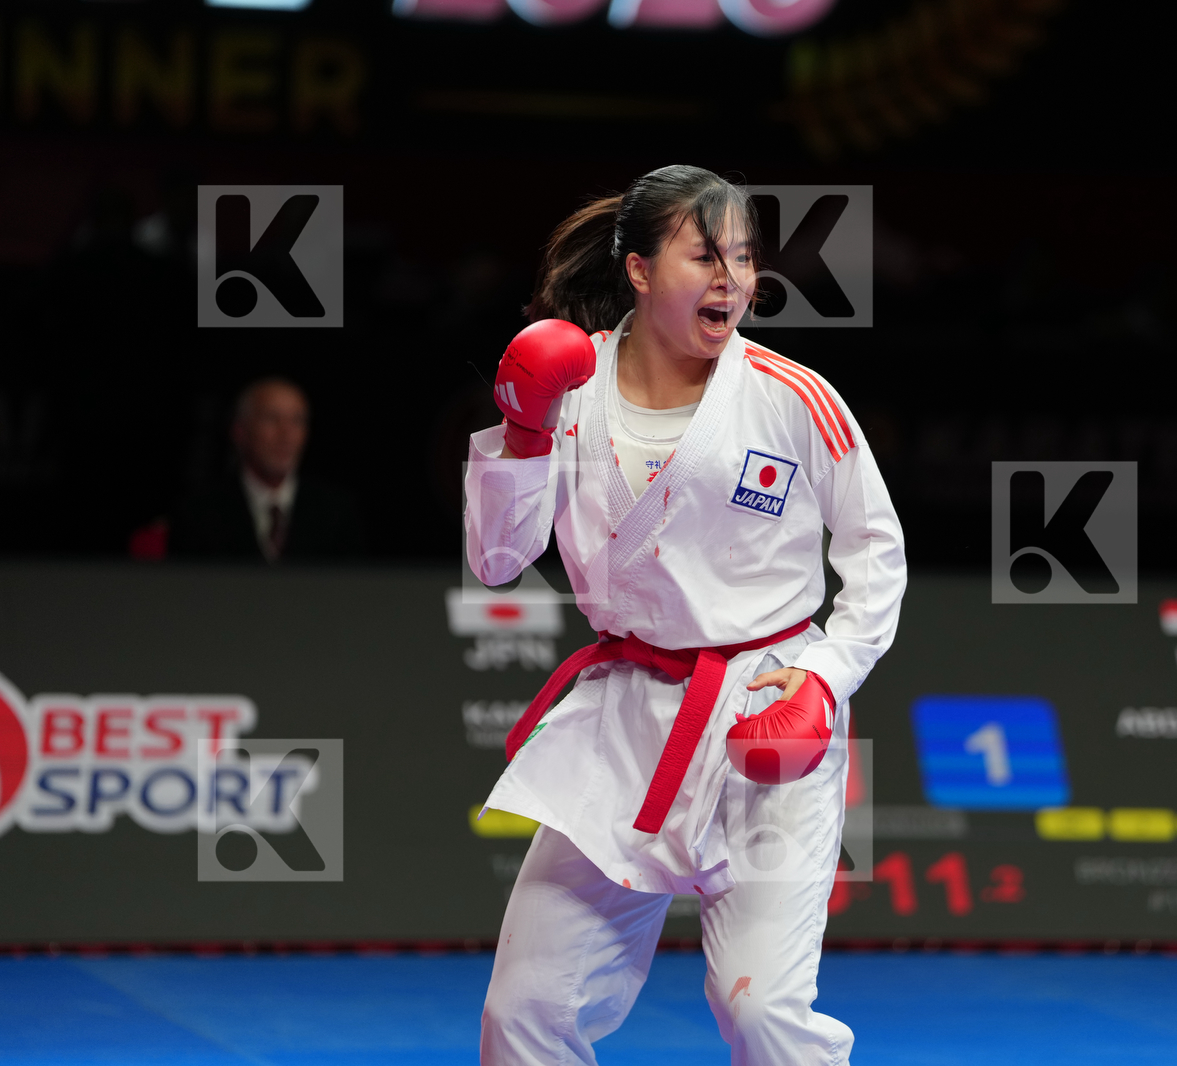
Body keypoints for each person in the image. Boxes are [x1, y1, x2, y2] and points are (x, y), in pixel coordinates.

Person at [465, 165, 906, 1066]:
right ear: (638, 270)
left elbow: (876, 551)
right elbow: (498, 561)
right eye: (704, 256)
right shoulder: (569, 390)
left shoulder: (790, 397)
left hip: (764, 718)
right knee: (524, 1009)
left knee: (763, 1012)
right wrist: (521, 435)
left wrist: (825, 677)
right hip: (623, 723)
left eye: (742, 257)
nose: (731, 279)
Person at [168, 377, 363, 561]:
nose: (286, 434)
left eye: (297, 421)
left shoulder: (336, 513)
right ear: (239, 431)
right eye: (271, 418)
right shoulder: (199, 512)